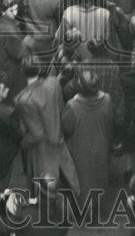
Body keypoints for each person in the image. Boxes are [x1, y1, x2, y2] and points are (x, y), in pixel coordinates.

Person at [15, 56, 80, 194]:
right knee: (69, 180)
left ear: (22, 71)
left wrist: (22, 143)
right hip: (59, 139)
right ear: (39, 69)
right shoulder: (54, 84)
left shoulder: (23, 99)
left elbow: (36, 134)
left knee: (45, 189)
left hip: (41, 149)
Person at [62, 70, 114, 200]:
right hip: (101, 144)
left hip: (79, 148)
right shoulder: (107, 99)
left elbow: (66, 128)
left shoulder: (72, 106)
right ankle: (97, 201)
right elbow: (109, 121)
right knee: (99, 174)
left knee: (82, 178)